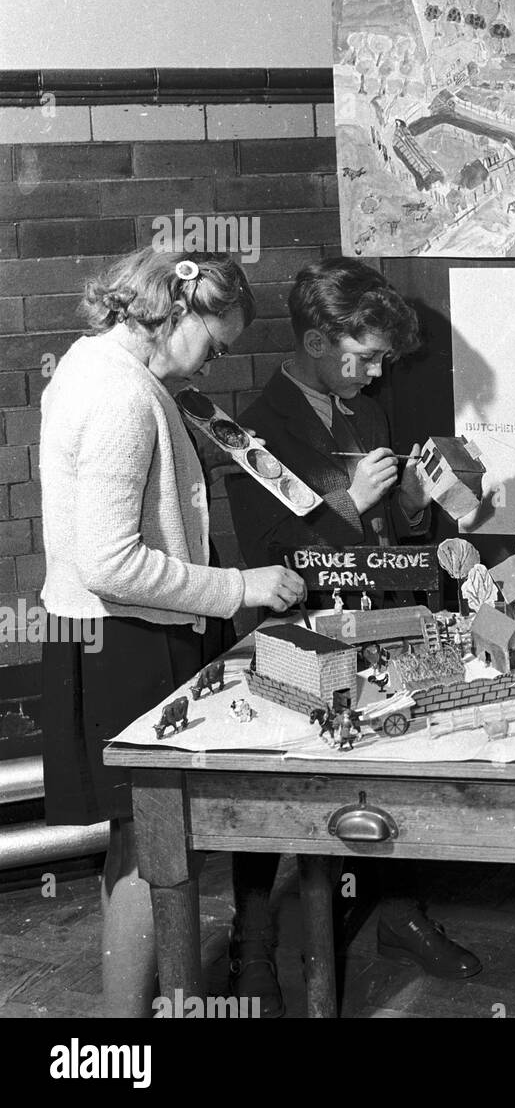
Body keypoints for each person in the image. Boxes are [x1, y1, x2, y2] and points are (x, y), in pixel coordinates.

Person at [39, 248, 305, 1018]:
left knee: (137, 847)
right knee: (149, 852)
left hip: (115, 634)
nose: (212, 366)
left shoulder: (103, 367)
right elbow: (113, 562)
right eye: (214, 345)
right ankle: (122, 1036)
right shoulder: (123, 395)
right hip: (128, 638)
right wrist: (239, 588)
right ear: (176, 312)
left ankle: (131, 1017)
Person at [224, 258, 480, 1009]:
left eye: (380, 361)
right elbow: (266, 554)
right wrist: (343, 504)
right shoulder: (255, 429)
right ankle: (254, 950)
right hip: (289, 636)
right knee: (271, 791)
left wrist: (405, 501)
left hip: (372, 624)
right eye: (363, 357)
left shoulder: (362, 408)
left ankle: (397, 910)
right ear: (313, 340)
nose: (373, 373)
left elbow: (391, 536)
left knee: (395, 766)